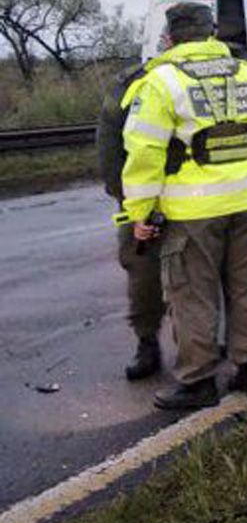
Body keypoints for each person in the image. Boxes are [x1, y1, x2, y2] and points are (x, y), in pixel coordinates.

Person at [119, 2, 247, 410]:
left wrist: (140, 213)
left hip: (193, 212)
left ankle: (198, 382)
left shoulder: (162, 82)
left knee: (192, 295)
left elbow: (143, 153)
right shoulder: (246, 72)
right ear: (211, 33)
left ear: (170, 37)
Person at [99, 58, 171, 380]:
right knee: (146, 274)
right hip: (162, 195)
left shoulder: (138, 81)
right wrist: (127, 200)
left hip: (182, 195)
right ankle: (150, 343)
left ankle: (153, 345)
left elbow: (108, 147)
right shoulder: (134, 83)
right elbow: (110, 145)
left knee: (150, 271)